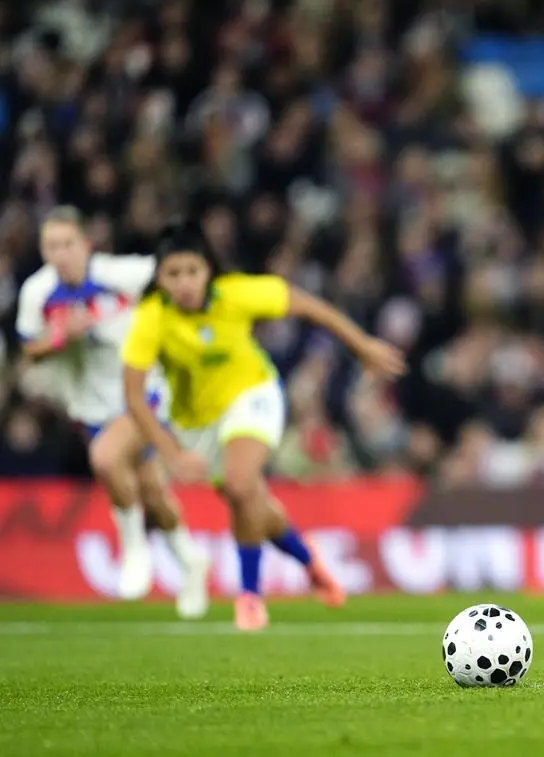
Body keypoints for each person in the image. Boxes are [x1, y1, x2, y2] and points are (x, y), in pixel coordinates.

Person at [120, 221, 406, 631]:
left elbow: (310, 306)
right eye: (173, 274)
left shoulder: (237, 293)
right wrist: (172, 453)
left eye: (192, 271)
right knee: (249, 499)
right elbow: (133, 395)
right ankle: (309, 560)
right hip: (195, 422)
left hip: (253, 394)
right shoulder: (151, 319)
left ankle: (250, 598)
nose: (184, 283)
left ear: (208, 270)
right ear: (159, 279)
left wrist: (362, 346)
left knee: (239, 484)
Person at [16, 206, 209, 618]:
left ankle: (134, 550)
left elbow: (171, 277)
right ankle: (192, 563)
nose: (61, 254)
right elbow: (28, 348)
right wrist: (59, 338)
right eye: (51, 246)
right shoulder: (38, 291)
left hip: (144, 392)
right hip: (90, 406)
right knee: (153, 491)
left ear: (86, 244)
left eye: (68, 244)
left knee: (104, 458)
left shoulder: (121, 274)